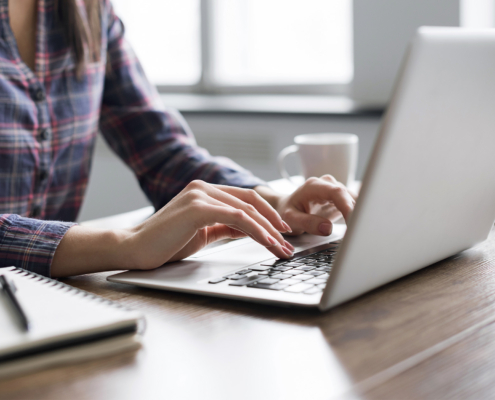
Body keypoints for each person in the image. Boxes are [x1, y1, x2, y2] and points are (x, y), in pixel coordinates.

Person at [0, 0, 355, 278]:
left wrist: (265, 204)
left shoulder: (90, 9)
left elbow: (161, 151)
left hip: (48, 299)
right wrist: (124, 243)